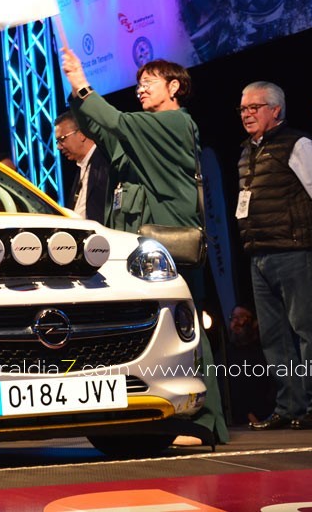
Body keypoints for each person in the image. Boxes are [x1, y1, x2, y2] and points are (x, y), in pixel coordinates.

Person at [60, 48, 229, 446]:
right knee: (155, 334)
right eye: (138, 83)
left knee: (187, 335)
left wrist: (82, 82)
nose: (140, 89)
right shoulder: (145, 134)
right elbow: (102, 130)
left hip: (168, 249)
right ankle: (159, 416)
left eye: (149, 82)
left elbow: (114, 122)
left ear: (174, 88)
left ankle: (203, 423)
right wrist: (77, 94)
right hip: (143, 254)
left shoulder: (174, 124)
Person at [236, 81, 312, 430]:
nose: (247, 114)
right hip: (259, 253)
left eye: (255, 107)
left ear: (275, 110)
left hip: (296, 249)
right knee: (273, 336)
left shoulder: (299, 144)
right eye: (243, 109)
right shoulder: (247, 151)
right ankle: (289, 406)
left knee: (308, 331)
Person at [224, 303, 275, 425]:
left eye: (241, 317)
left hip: (265, 416)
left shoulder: (265, 353)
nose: (236, 322)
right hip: (234, 421)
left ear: (254, 322)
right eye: (233, 317)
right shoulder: (224, 355)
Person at [53, 111, 110, 221]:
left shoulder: (105, 162)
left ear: (82, 134)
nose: (58, 147)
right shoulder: (81, 168)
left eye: (62, 139)